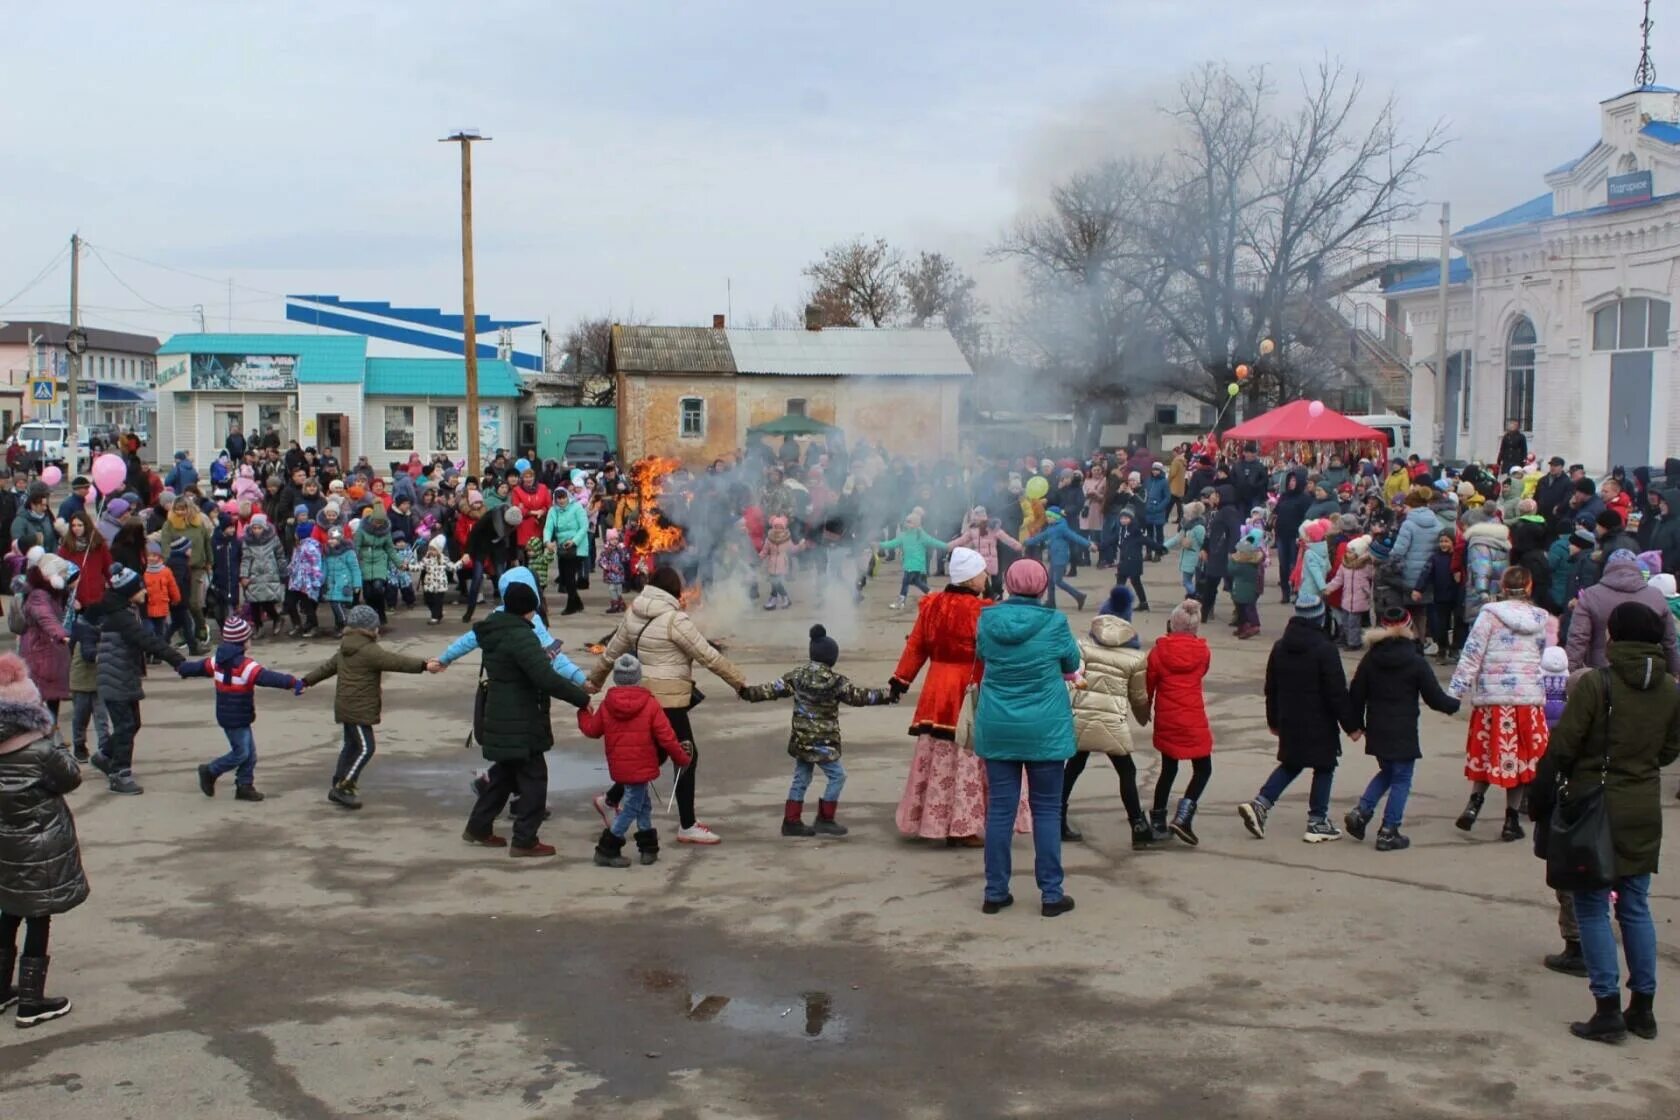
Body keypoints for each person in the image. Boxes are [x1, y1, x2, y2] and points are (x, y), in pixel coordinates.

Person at [1542, 603, 1680, 1043]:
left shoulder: (1597, 684)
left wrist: (1559, 782)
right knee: (1636, 905)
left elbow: (1564, 745)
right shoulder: (1671, 690)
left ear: (1612, 637)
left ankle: (1606, 1008)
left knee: (1592, 904)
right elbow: (1669, 750)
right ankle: (1643, 1007)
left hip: (1595, 804)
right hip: (1642, 805)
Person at [586, 567, 744, 845]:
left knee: (654, 755)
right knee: (686, 756)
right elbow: (708, 656)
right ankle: (687, 824)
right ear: (673, 590)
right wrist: (740, 683)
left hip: (645, 696)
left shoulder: (634, 613)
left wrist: (594, 681)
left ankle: (610, 799)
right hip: (669, 700)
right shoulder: (675, 620)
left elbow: (611, 653)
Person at [973, 560, 1080, 917]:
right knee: (1047, 810)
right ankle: (1051, 894)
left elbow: (983, 656)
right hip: (1045, 727)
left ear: (1008, 582)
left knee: (1000, 811)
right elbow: (1071, 663)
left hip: (999, 723)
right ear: (1042, 585)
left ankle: (995, 891)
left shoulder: (987, 620)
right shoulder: (1055, 623)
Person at [461, 580, 591, 856]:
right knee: (534, 778)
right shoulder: (521, 636)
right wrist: (581, 698)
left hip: (502, 713)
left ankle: (478, 827)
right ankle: (525, 839)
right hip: (521, 717)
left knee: (504, 774)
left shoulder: (495, 631)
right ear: (528, 609)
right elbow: (545, 677)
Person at [740, 624, 894, 838]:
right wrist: (887, 695)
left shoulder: (797, 675)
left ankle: (791, 821)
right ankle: (825, 818)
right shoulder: (836, 681)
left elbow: (771, 689)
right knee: (837, 776)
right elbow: (859, 696)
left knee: (801, 777)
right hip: (824, 742)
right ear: (832, 658)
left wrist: (747, 692)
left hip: (802, 740)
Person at [0, 652, 87, 1028]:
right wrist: (58, 742)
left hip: (5, 843)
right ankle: (32, 1002)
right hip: (41, 843)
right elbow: (70, 778)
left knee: (8, 910)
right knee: (38, 915)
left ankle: (2, 989)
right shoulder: (41, 748)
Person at [1241, 595, 1360, 843]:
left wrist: (1273, 720)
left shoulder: (1280, 646)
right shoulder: (1325, 649)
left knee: (1292, 763)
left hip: (1289, 718)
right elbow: (1336, 692)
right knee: (1325, 766)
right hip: (1319, 721)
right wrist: (1352, 726)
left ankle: (1261, 804)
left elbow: (1270, 688)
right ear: (1320, 616)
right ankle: (1317, 821)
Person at [1448, 567, 1556, 840]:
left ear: (1503, 587)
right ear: (1529, 587)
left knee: (1488, 752)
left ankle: (1474, 804)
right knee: (1518, 760)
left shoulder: (1489, 615)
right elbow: (1542, 655)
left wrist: (1456, 692)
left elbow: (1472, 653)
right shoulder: (1541, 618)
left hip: (1492, 699)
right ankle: (1510, 821)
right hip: (1527, 699)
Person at [1344, 607, 1461, 850]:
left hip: (1377, 726)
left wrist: (1355, 725)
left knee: (1388, 771)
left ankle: (1362, 812)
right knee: (1402, 778)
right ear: (1408, 627)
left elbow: (1356, 694)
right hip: (1403, 728)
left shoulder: (1370, 659)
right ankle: (1389, 830)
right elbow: (1434, 698)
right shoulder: (1415, 661)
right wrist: (1455, 704)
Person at [303, 604, 429, 810]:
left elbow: (326, 668)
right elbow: (397, 661)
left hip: (345, 706)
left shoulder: (345, 647)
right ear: (370, 629)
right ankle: (344, 787)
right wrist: (424, 665)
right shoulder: (369, 650)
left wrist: (306, 681)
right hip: (358, 709)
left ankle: (338, 781)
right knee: (366, 748)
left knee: (351, 746)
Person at [575, 653, 688, 866]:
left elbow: (592, 730)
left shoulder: (608, 704)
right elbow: (667, 737)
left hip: (620, 765)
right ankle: (607, 849)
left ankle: (648, 848)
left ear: (616, 678)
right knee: (631, 808)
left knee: (643, 804)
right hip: (642, 764)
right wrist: (681, 758)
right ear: (638, 677)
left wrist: (583, 712)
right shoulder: (650, 704)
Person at [178, 616, 305, 802]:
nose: (250, 641)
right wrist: (293, 682)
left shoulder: (217, 661)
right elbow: (268, 677)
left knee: (249, 754)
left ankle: (244, 785)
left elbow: (199, 667)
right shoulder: (245, 666)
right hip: (236, 717)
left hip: (231, 714)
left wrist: (183, 668)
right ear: (241, 642)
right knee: (241, 753)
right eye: (248, 638)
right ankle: (211, 771)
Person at [92, 565, 186, 794]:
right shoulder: (121, 617)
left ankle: (105, 755)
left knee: (132, 723)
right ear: (129, 592)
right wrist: (177, 660)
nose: (145, 592)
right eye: (141, 589)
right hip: (116, 678)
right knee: (125, 726)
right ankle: (119, 774)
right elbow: (146, 640)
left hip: (123, 676)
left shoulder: (123, 610)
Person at [1062, 612, 1152, 847]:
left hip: (1081, 717)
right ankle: (1138, 825)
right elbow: (1139, 697)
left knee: (1073, 766)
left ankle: (1056, 817)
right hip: (1113, 722)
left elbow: (1072, 678)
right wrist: (1144, 718)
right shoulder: (1135, 658)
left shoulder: (1082, 647)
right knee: (1127, 771)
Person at [1147, 600, 1215, 843]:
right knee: (1203, 769)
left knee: (1168, 769)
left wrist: (1145, 708)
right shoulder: (1203, 652)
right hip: (1193, 717)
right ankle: (1184, 815)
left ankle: (1157, 819)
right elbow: (1202, 671)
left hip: (1168, 717)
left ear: (1171, 625)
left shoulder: (1158, 652)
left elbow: (1149, 683)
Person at [1566, 549, 1680, 675]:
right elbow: (1669, 642)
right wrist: (1674, 673)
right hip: (1647, 674)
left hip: (1602, 675)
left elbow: (1578, 638)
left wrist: (1571, 672)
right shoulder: (1656, 596)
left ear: (1608, 567)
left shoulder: (1591, 595)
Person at [17, 555, 75, 750]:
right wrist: (61, 634)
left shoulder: (48, 592)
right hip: (41, 650)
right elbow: (46, 617)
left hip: (48, 649)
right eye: (62, 574)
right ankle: (48, 738)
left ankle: (52, 734)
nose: (64, 578)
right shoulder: (39, 596)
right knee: (43, 695)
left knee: (51, 696)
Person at [878, 511, 948, 611]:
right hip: (909, 564)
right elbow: (892, 543)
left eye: (909, 522)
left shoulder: (921, 535)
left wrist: (946, 546)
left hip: (916, 564)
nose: (907, 523)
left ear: (916, 524)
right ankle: (933, 596)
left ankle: (901, 601)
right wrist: (880, 545)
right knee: (917, 582)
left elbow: (933, 542)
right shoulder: (903, 535)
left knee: (905, 582)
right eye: (906, 521)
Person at [543, 488, 590, 616]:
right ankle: (578, 602)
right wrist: (547, 542)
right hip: (563, 547)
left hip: (577, 546)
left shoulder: (577, 507)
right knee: (563, 578)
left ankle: (571, 605)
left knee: (569, 577)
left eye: (563, 497)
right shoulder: (553, 511)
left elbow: (584, 526)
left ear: (568, 497)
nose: (562, 500)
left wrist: (574, 541)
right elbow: (548, 527)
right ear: (555, 499)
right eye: (559, 498)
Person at [411, 534, 461, 624]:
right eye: (430, 548)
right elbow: (419, 567)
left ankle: (435, 617)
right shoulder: (426, 559)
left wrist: (461, 562)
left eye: (434, 549)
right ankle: (438, 613)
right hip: (429, 584)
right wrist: (408, 567)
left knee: (437, 601)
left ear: (439, 550)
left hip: (440, 585)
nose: (431, 551)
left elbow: (452, 567)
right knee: (428, 600)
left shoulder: (444, 559)